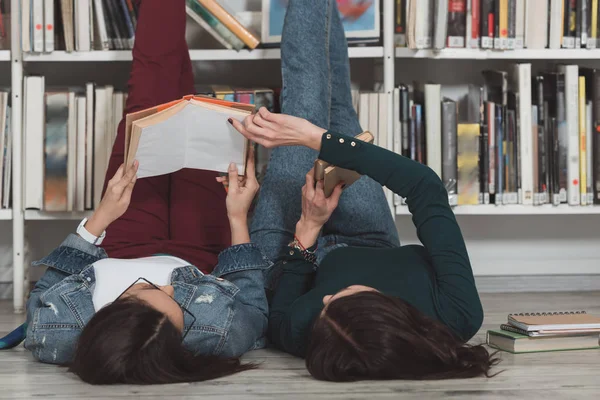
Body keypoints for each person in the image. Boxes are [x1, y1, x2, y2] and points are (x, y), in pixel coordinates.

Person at [230, 0, 497, 382]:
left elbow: (282, 317)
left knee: (305, 96)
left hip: (293, 243)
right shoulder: (457, 313)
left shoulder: (316, 333)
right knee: (337, 107)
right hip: (370, 238)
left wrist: (306, 233)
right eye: (337, 298)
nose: (322, 296)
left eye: (322, 308)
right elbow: (425, 187)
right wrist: (315, 137)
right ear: (387, 308)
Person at [23, 0, 269, 385]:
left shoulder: (57, 334)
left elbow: (49, 289)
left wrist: (100, 218)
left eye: (143, 291)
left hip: (123, 235)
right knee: (189, 110)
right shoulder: (216, 337)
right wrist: (238, 217)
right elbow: (251, 302)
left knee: (150, 98)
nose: (167, 282)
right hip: (202, 249)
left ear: (105, 319)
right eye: (173, 298)